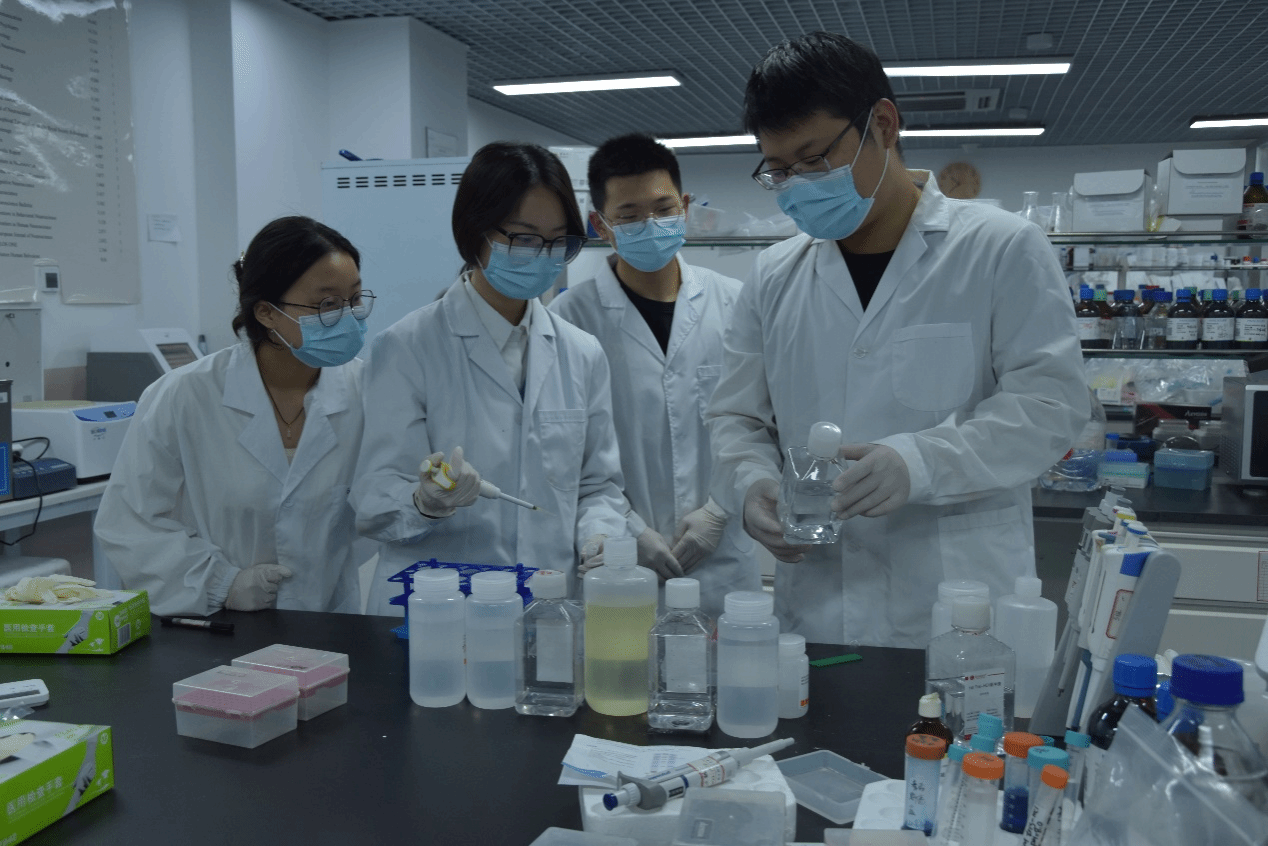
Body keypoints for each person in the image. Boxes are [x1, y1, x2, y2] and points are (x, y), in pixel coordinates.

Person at [706, 32, 1090, 647]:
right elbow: (736, 417)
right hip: (818, 608)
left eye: (814, 159)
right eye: (778, 170)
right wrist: (751, 485)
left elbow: (1051, 406)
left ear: (883, 124)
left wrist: (920, 462)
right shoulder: (774, 275)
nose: (798, 185)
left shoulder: (1000, 248)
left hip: (957, 605)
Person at [351, 142, 628, 615]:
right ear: (475, 231)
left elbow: (597, 486)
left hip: (546, 607)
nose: (543, 256)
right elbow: (374, 498)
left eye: (558, 241)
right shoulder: (406, 348)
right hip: (435, 611)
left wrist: (600, 533)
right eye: (524, 238)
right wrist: (423, 501)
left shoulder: (581, 353)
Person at [95, 216, 370, 617]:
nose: (348, 317)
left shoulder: (366, 391)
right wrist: (221, 584)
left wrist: (423, 500)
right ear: (267, 313)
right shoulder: (184, 396)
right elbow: (129, 522)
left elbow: (380, 506)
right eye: (327, 304)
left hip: (329, 620)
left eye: (355, 299)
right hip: (215, 622)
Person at [549, 133, 760, 617]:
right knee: (620, 664)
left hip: (724, 556)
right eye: (628, 216)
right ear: (601, 225)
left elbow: (762, 424)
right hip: (618, 561)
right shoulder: (569, 319)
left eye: (663, 209)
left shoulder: (735, 303)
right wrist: (628, 529)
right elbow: (566, 455)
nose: (650, 224)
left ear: (684, 206)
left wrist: (719, 510)